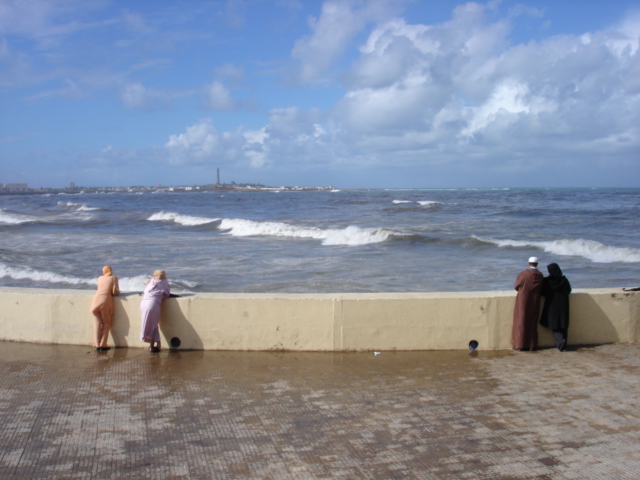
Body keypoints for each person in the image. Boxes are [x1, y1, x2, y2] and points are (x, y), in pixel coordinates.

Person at [511, 257, 544, 351]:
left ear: (529, 263)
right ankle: (531, 344)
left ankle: (520, 345)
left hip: (523, 299)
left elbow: (517, 286)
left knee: (521, 321)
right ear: (537, 264)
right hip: (535, 300)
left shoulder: (523, 274)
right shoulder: (540, 275)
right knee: (532, 321)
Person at [540, 263, 572, 351]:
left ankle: (561, 342)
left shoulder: (547, 281)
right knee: (563, 323)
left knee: (554, 324)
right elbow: (569, 290)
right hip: (563, 304)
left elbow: (542, 292)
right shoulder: (564, 280)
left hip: (552, 305)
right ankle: (563, 341)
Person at [90, 265, 119, 351]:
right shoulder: (114, 278)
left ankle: (97, 344)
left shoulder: (99, 278)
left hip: (96, 301)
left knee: (97, 324)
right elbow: (115, 293)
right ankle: (103, 344)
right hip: (105, 301)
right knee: (106, 324)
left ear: (104, 271)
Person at [140, 269, 171, 352]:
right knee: (153, 325)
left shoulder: (151, 281)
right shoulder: (164, 282)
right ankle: (151, 346)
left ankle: (158, 343)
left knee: (148, 324)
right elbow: (167, 294)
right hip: (153, 304)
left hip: (143, 303)